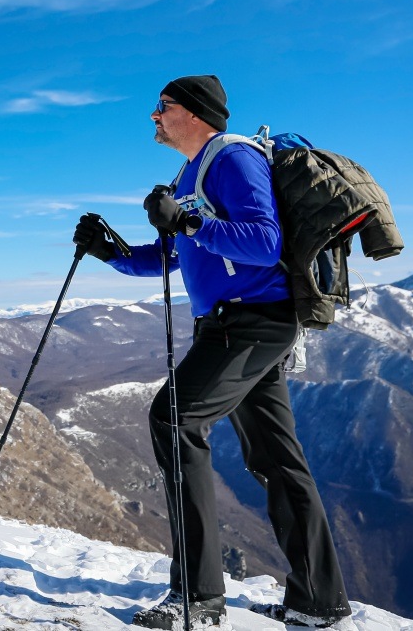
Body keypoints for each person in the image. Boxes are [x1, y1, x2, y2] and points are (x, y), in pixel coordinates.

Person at [72, 75, 354, 631]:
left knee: (174, 419)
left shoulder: (232, 158)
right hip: (241, 324)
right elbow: (172, 256)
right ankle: (317, 603)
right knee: (276, 460)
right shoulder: (191, 172)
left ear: (195, 112)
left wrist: (189, 219)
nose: (154, 116)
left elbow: (262, 242)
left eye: (162, 107)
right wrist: (112, 253)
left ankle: (196, 600)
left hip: (250, 321)